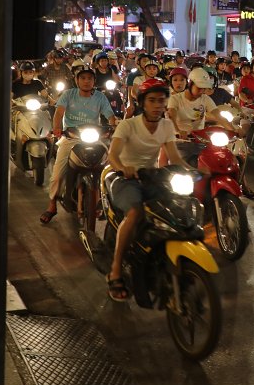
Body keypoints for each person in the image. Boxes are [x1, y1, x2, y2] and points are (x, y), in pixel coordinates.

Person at [105, 78, 200, 301]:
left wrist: (193, 170)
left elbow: (174, 157)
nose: (158, 105)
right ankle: (116, 269)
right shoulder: (127, 124)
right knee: (136, 212)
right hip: (124, 178)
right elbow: (113, 156)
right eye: (152, 100)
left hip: (152, 176)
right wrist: (123, 168)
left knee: (179, 206)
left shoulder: (166, 125)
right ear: (142, 102)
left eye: (162, 100)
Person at [40, 64, 118, 224]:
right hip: (71, 137)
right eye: (83, 78)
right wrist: (57, 128)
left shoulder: (100, 97)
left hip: (95, 137)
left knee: (111, 165)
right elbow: (59, 112)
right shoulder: (68, 95)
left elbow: (109, 114)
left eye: (90, 78)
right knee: (57, 173)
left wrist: (113, 125)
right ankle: (52, 205)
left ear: (94, 81)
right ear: (77, 80)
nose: (86, 81)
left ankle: (104, 202)